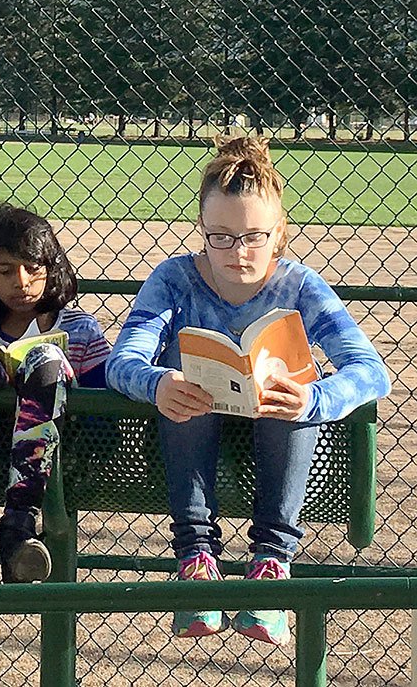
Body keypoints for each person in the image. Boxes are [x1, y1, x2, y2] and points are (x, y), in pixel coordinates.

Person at [106, 136, 391, 645]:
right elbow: (123, 360)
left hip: (278, 434)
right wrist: (157, 383)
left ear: (279, 233)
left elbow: (370, 370)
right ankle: (196, 559)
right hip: (193, 429)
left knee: (297, 384)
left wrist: (312, 398)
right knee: (177, 367)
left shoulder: (299, 285)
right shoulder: (174, 278)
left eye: (254, 236)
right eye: (221, 236)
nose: (238, 253)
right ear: (202, 231)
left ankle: (271, 563)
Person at [0, 205, 110, 586]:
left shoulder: (80, 328)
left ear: (52, 268)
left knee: (47, 357)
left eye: (34, 269)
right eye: (6, 271)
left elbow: (104, 406)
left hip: (60, 458)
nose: (22, 282)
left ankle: (19, 529)